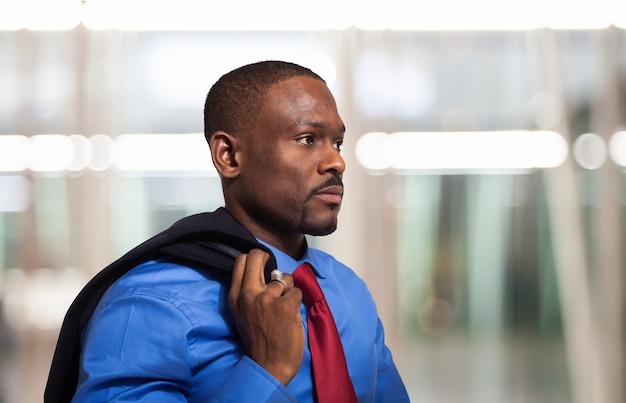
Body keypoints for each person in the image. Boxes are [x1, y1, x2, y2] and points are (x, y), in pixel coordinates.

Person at [45, 60, 409, 402]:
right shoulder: (146, 304)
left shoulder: (348, 290)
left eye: (337, 143)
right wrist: (267, 370)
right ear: (229, 156)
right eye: (307, 139)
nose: (337, 162)